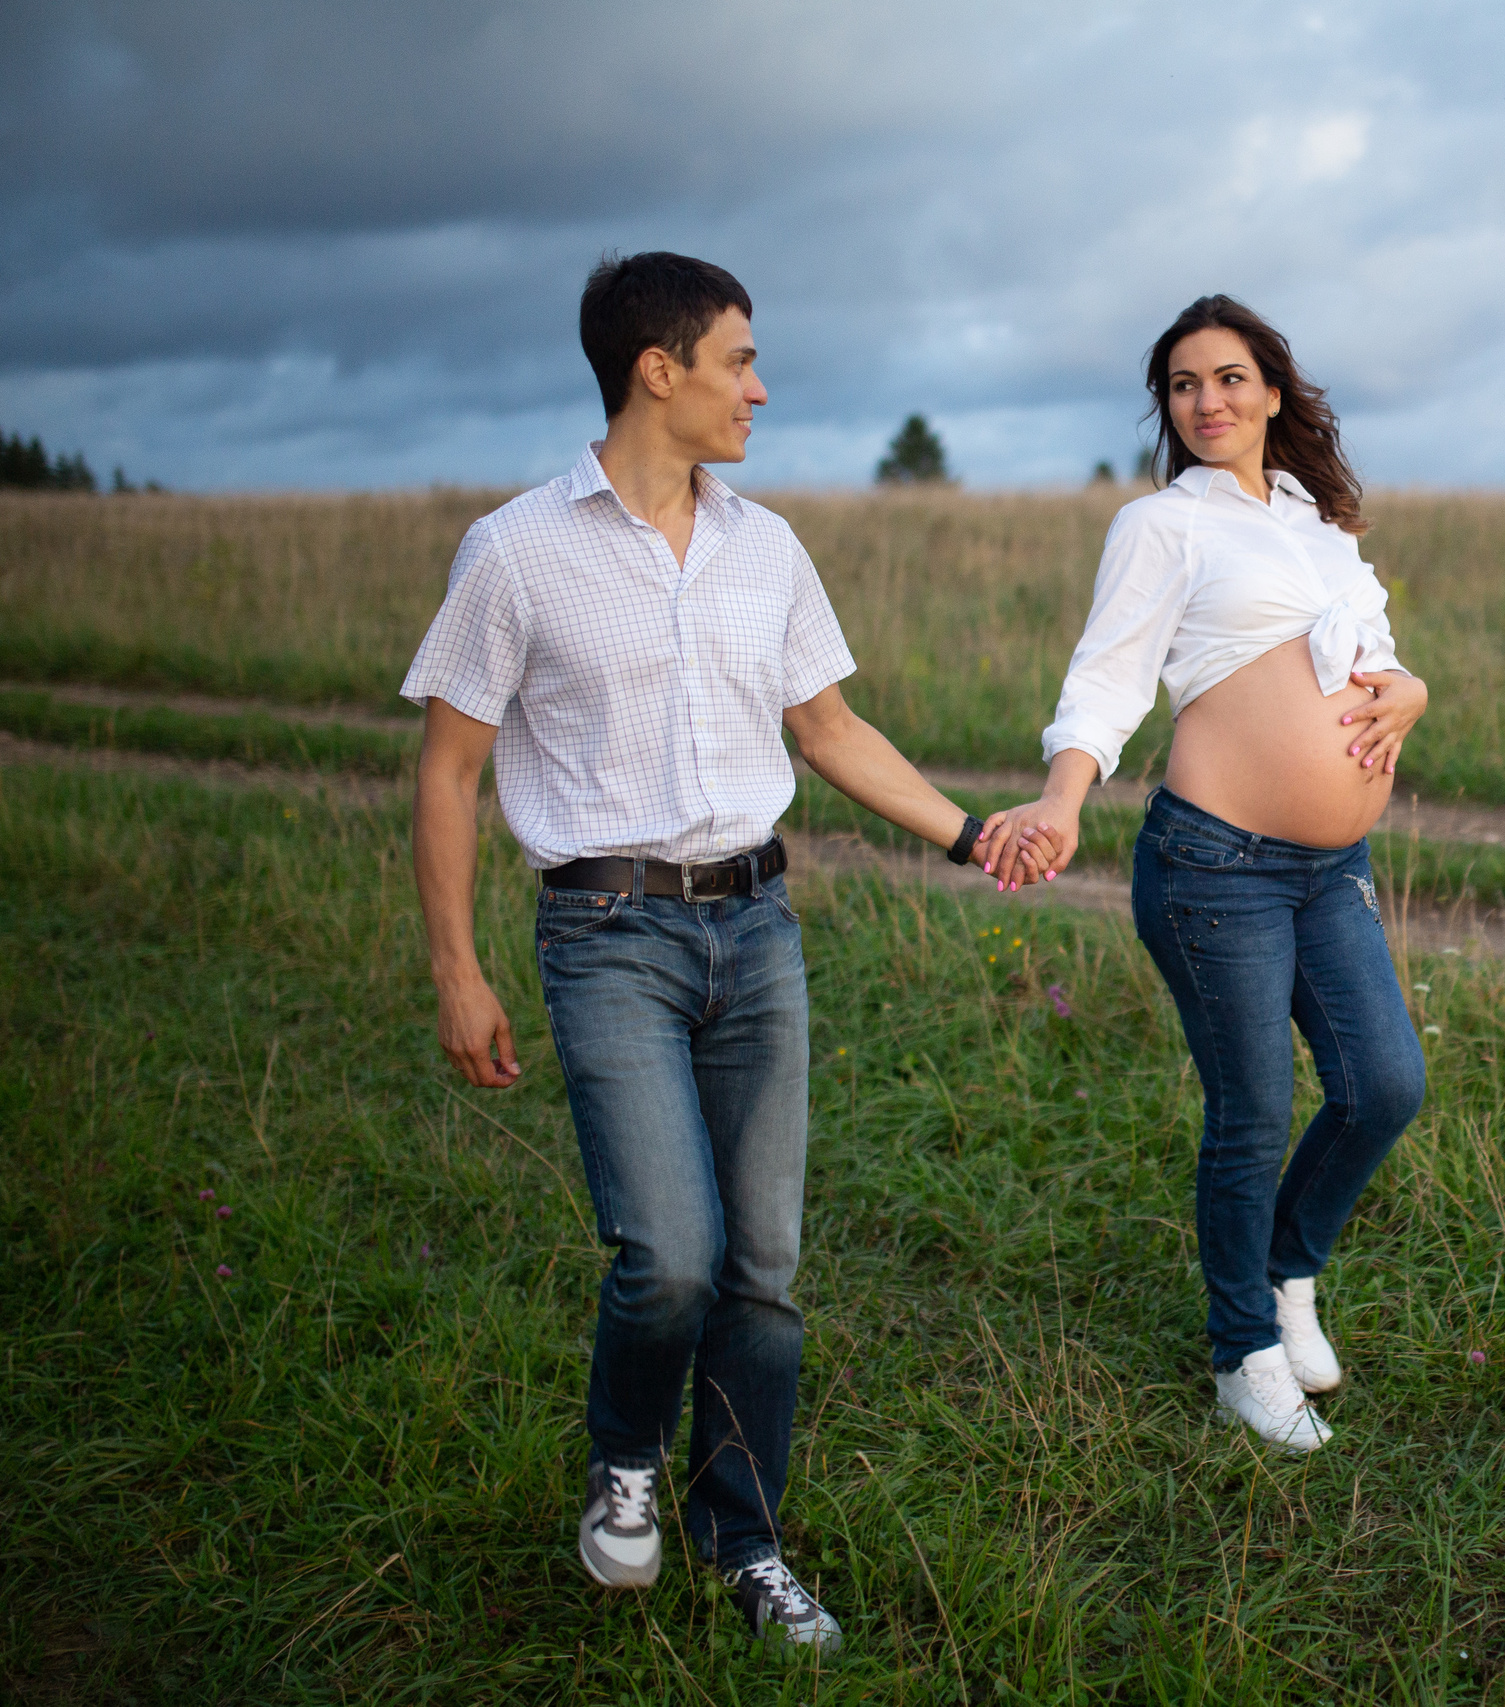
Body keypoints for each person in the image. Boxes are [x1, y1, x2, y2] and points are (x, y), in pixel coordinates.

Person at [404, 252, 1046, 1650]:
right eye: (739, 359)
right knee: (673, 1257)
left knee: (764, 1265)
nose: (760, 386)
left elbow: (829, 731)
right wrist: (459, 967)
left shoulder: (768, 546)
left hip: (756, 931)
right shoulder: (515, 550)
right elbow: (449, 767)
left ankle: (742, 1534)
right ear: (659, 369)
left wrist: (968, 830)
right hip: (607, 930)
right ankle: (624, 1458)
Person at [982, 295, 1430, 1451]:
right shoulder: (1160, 526)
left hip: (1330, 867)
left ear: (1273, 391)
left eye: (1228, 378)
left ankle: (1288, 1277)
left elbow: (1372, 657)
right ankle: (1242, 1351)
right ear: (1169, 408)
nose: (1207, 401)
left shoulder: (1317, 525)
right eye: (1184, 385)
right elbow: (1108, 676)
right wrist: (1064, 798)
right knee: (1252, 1112)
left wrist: (1412, 690)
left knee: (1384, 1084)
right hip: (1214, 864)